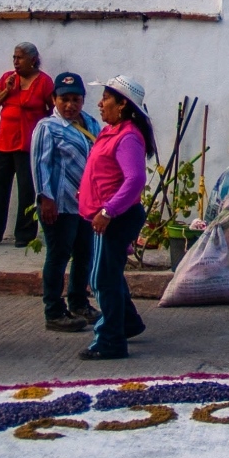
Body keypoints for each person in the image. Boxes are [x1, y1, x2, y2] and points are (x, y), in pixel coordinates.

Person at [78, 75, 154, 361]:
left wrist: (108, 210)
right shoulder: (112, 132)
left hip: (114, 218)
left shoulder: (128, 136)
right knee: (109, 273)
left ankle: (110, 339)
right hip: (105, 216)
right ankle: (128, 322)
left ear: (123, 104)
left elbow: (134, 180)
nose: (100, 103)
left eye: (106, 98)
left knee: (101, 278)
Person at [31, 72, 101, 333]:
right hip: (59, 204)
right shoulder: (47, 127)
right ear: (54, 99)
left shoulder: (92, 124)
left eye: (75, 99)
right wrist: (45, 198)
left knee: (84, 255)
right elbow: (40, 165)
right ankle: (54, 311)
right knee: (59, 256)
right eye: (64, 99)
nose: (70, 105)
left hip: (86, 206)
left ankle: (79, 303)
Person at [0, 42, 54, 246]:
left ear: (32, 59)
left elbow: (53, 109)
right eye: (14, 57)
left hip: (28, 146)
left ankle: (24, 234)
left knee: (27, 190)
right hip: (4, 143)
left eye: (20, 57)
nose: (15, 61)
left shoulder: (44, 82)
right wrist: (7, 91)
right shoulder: (7, 78)